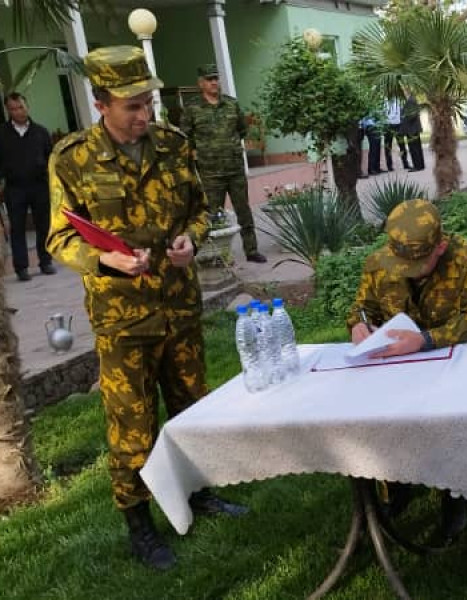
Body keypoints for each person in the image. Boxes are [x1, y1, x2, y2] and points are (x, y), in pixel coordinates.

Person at [47, 46, 248, 571]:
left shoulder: (174, 144)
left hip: (178, 305)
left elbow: (201, 209)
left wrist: (190, 238)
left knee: (192, 406)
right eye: (132, 105)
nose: (145, 115)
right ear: (100, 104)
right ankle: (140, 525)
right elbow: (59, 238)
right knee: (131, 424)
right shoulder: (72, 158)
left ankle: (199, 493)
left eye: (148, 103)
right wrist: (105, 259)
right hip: (123, 318)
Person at [347, 198, 467, 541]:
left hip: (456, 365)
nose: (405, 272)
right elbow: (362, 308)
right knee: (383, 422)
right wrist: (358, 325)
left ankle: (454, 499)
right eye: (401, 264)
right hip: (397, 369)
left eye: (416, 265)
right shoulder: (378, 262)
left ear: (440, 246)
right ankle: (396, 486)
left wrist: (427, 339)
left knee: (449, 424)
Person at [179, 63, 266, 263]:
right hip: (210, 172)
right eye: (210, 80)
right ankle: (215, 255)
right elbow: (185, 137)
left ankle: (251, 250)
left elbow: (242, 130)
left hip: (235, 168)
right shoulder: (192, 108)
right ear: (201, 83)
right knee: (212, 215)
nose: (214, 83)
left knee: (243, 210)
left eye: (216, 79)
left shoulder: (231, 104)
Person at [0, 92, 55, 281]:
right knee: (17, 227)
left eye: (20, 107)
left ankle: (45, 261)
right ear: (8, 110)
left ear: (27, 106)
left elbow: (51, 159)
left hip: (39, 185)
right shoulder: (2, 134)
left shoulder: (40, 132)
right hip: (15, 188)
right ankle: (21, 268)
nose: (18, 112)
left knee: (44, 225)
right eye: (13, 109)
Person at [398, 89, 425, 172]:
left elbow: (412, 114)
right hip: (413, 128)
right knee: (417, 147)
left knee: (414, 148)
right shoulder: (411, 100)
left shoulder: (411, 100)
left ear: (407, 92)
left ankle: (417, 166)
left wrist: (403, 116)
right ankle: (420, 165)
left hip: (412, 129)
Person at [384, 97, 410, 171]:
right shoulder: (384, 101)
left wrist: (402, 121)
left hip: (398, 126)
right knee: (388, 147)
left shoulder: (398, 100)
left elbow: (402, 111)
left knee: (402, 145)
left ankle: (405, 163)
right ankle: (389, 166)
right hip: (388, 126)